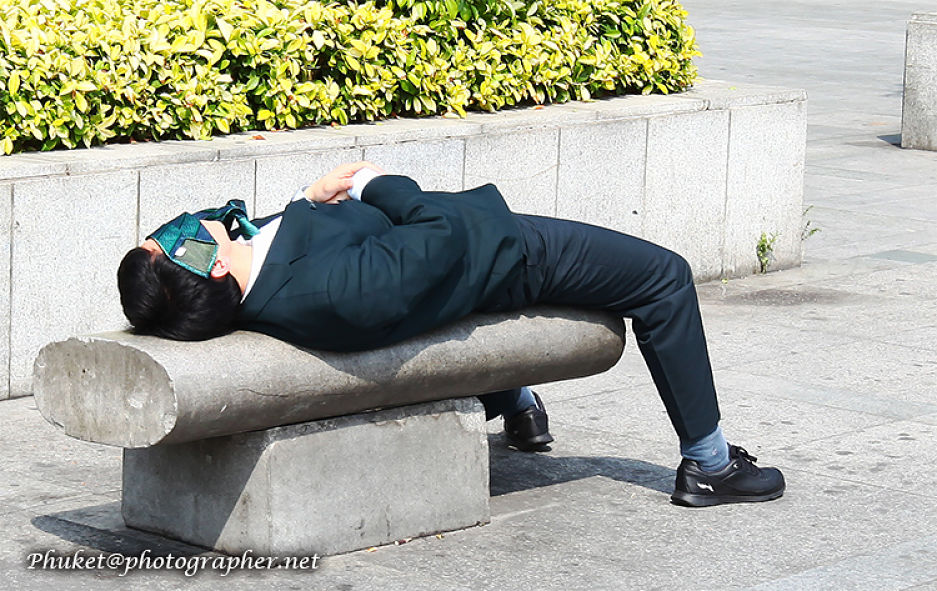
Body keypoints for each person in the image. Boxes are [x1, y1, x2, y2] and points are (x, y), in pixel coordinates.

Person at [118, 161, 785, 507]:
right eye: (178, 238)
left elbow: (302, 241)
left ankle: (512, 400)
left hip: (469, 261)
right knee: (663, 277)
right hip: (507, 254)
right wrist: (379, 182)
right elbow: (437, 240)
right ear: (208, 273)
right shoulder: (324, 296)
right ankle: (709, 463)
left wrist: (307, 197)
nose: (188, 222)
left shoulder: (254, 272)